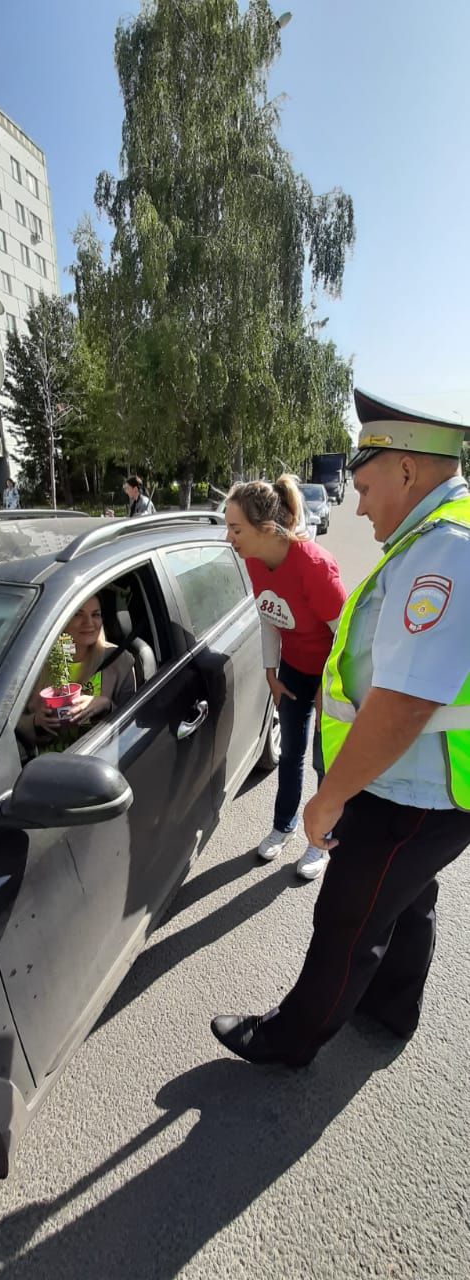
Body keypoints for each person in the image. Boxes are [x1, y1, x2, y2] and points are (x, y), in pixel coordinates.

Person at [211, 389, 470, 1067]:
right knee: (406, 901)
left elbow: (404, 703)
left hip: (411, 790)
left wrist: (329, 797)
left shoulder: (444, 552)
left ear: (406, 471)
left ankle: (287, 1041)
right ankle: (390, 1011)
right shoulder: (437, 536)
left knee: (345, 923)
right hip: (429, 788)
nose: (355, 506)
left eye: (361, 487)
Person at [225, 476, 347, 879]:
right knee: (291, 754)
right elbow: (269, 617)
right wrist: (271, 673)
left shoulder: (313, 566)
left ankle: (321, 841)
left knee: (323, 762)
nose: (229, 538)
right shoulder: (254, 561)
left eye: (235, 528)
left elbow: (346, 639)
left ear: (265, 529)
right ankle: (284, 825)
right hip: (293, 672)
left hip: (332, 676)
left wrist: (330, 691)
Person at [18, 594, 135, 752]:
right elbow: (9, 723)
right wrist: (35, 722)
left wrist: (106, 705)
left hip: (97, 762)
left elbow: (132, 722)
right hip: (46, 767)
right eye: (77, 614)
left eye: (95, 615)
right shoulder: (35, 662)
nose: (89, 623)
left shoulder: (119, 660)